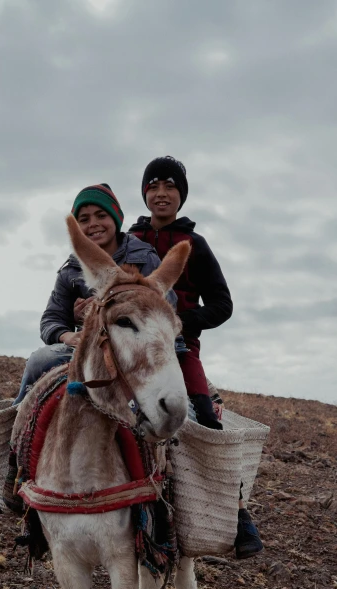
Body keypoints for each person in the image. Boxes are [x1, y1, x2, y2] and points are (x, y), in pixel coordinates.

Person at [0, 183, 178, 522]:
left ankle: (184, 499)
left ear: (116, 219)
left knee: (186, 414)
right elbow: (50, 320)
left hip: (136, 353)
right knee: (39, 362)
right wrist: (71, 332)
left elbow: (164, 306)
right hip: (87, 352)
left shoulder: (144, 257)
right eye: (84, 218)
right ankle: (10, 469)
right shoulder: (70, 270)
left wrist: (117, 312)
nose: (93, 224)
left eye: (101, 215)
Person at [129, 156, 263, 559]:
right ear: (145, 194)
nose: (161, 194)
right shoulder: (129, 240)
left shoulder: (195, 245)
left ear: (181, 196)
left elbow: (222, 304)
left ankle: (238, 516)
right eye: (153, 186)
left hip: (179, 348)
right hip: (130, 349)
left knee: (205, 419)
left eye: (170, 188)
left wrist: (182, 322)